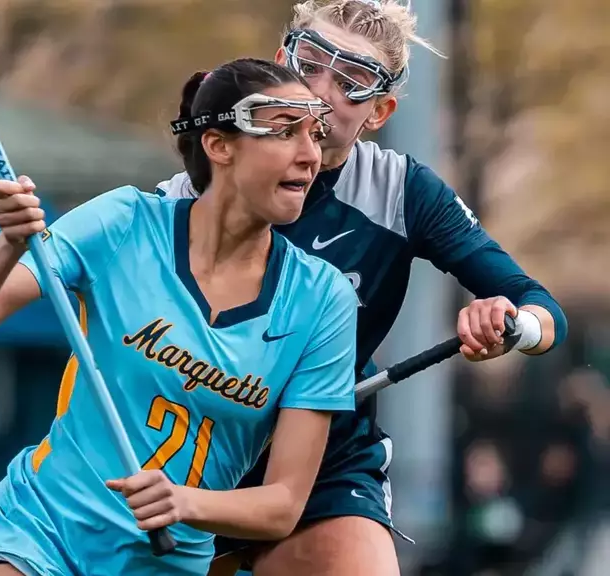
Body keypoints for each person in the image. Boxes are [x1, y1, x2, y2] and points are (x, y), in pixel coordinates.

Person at [156, 1, 569, 575]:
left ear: (379, 111)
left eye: (351, 81)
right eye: (309, 64)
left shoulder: (401, 192)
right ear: (279, 64)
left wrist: (512, 326)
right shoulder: (185, 196)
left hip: (325, 461)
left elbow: (542, 309)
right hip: (187, 444)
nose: (320, 91)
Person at [0, 58, 358, 576]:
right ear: (219, 146)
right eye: (285, 132)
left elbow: (282, 505)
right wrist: (9, 245)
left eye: (315, 135)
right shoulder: (124, 222)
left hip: (163, 564)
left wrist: (185, 501)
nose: (310, 155)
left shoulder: (323, 299)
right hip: (43, 531)